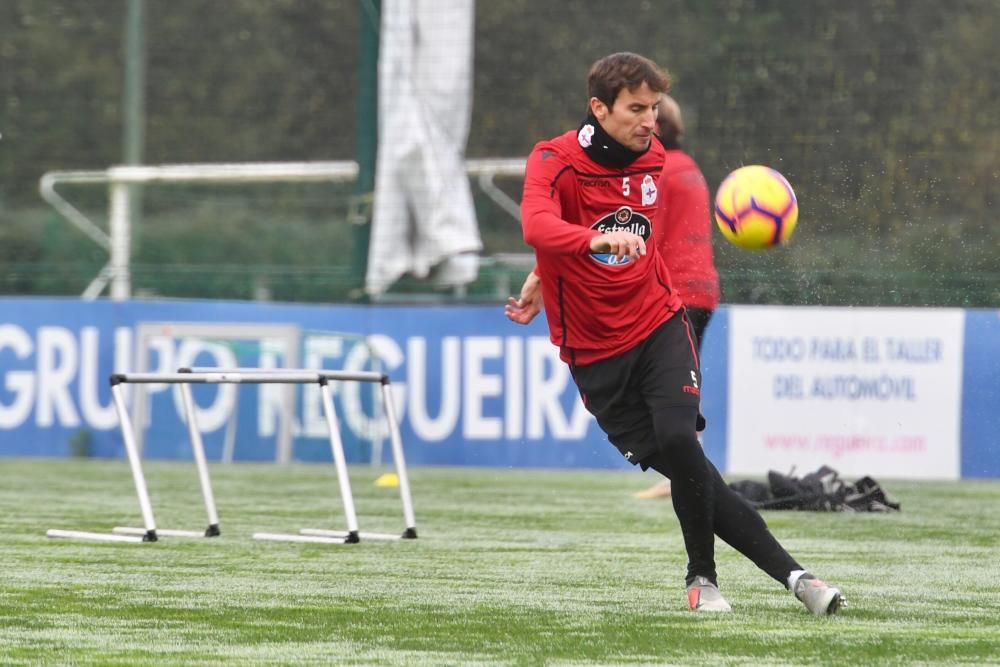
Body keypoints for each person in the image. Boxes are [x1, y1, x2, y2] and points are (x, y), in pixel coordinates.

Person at [505, 52, 845, 615]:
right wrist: (568, 256)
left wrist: (554, 265)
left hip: (659, 319)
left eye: (655, 108)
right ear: (599, 108)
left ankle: (704, 579)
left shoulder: (655, 157)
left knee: (683, 438)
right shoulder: (553, 160)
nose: (649, 121)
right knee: (697, 473)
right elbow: (536, 224)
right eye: (636, 109)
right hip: (595, 355)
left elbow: (624, 232)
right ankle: (797, 576)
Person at [632, 94, 720, 500]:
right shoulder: (690, 169)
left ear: (658, 127)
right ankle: (684, 471)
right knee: (682, 386)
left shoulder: (662, 170)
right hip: (700, 287)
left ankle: (684, 474)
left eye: (644, 115)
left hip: (676, 290)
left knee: (667, 389)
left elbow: (648, 234)